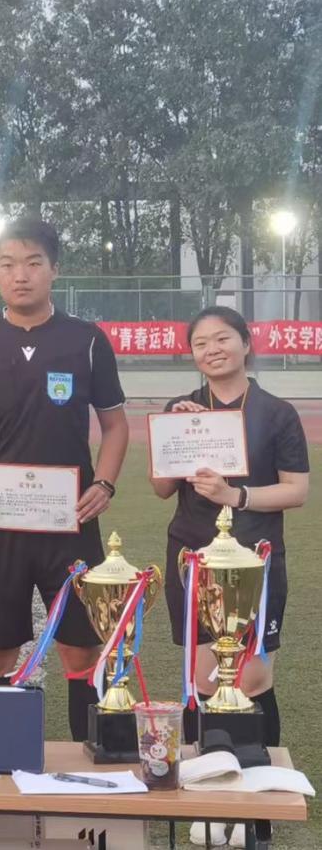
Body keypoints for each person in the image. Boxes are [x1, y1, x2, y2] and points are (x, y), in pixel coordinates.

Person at [0, 219, 129, 742]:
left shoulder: (86, 340)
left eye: (32, 263)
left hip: (70, 521)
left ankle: (93, 758)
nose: (19, 275)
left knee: (81, 650)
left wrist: (104, 484)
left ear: (54, 270)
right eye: (7, 265)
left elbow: (115, 426)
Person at [151, 307, 309, 849]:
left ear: (246, 343)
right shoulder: (181, 408)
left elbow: (296, 489)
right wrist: (180, 436)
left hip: (255, 561)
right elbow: (161, 488)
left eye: (222, 338)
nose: (212, 349)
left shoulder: (276, 412)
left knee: (252, 682)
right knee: (202, 681)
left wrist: (235, 495)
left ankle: (257, 807)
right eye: (200, 343)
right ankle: (210, 799)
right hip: (192, 559)